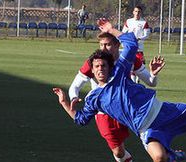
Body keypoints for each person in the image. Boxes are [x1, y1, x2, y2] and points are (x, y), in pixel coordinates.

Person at [54, 19, 186, 162]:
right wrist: (64, 102)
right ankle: (172, 156)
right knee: (159, 158)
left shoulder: (119, 71)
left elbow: (131, 43)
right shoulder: (94, 98)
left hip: (163, 110)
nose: (100, 69)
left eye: (103, 65)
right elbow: (80, 120)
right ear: (92, 70)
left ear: (109, 66)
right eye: (96, 67)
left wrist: (111, 29)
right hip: (146, 128)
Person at [68, 23, 164, 162]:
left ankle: (167, 153)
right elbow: (74, 86)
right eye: (101, 45)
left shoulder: (129, 59)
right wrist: (74, 97)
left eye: (107, 45)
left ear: (117, 45)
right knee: (118, 152)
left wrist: (153, 74)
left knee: (150, 133)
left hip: (129, 107)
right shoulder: (95, 62)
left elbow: (151, 82)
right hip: (104, 113)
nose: (103, 48)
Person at [122, 6, 150, 83]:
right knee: (131, 66)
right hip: (130, 48)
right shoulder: (128, 21)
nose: (137, 13)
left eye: (139, 12)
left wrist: (139, 38)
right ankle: (133, 82)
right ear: (133, 12)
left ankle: (138, 79)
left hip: (139, 48)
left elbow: (147, 35)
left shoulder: (144, 23)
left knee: (141, 65)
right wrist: (125, 41)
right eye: (136, 11)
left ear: (141, 13)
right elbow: (124, 32)